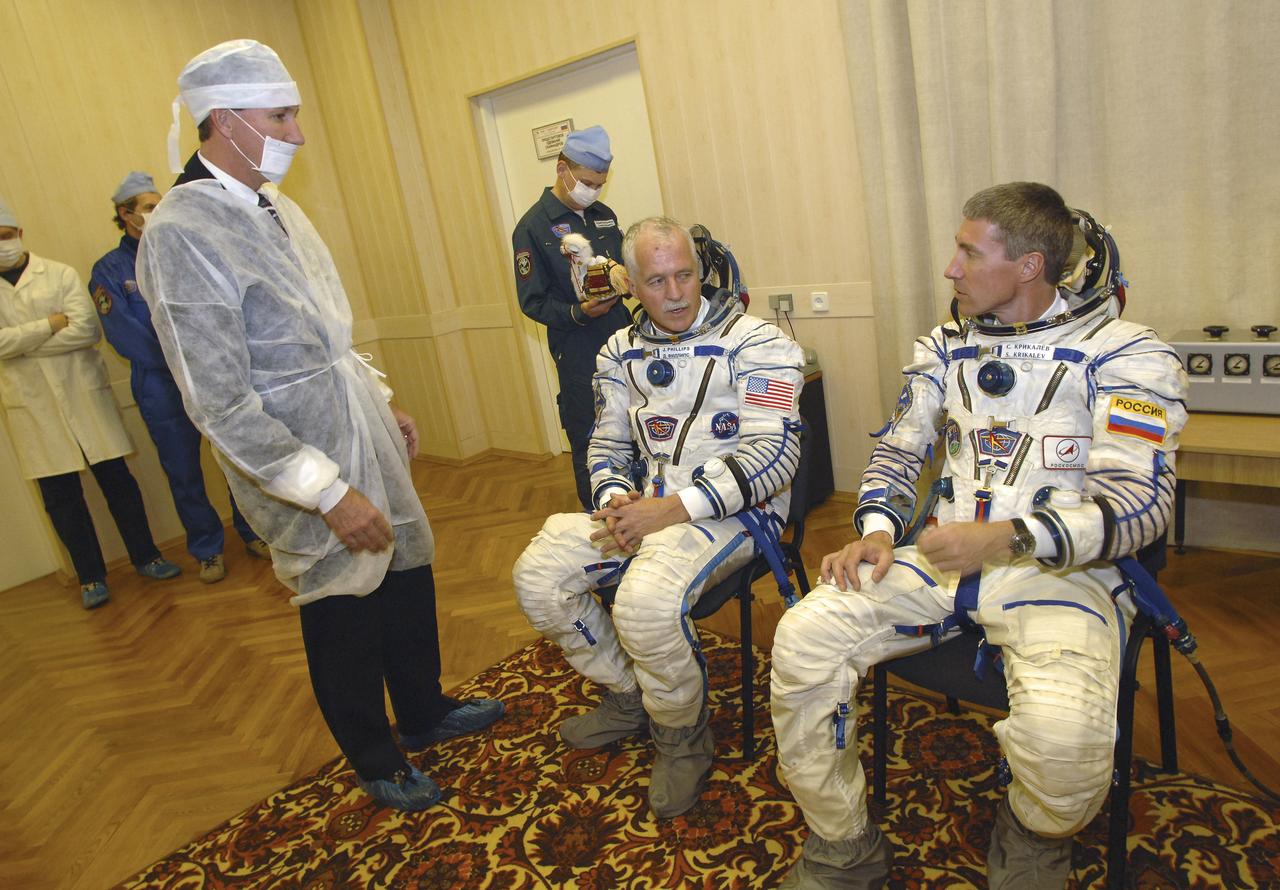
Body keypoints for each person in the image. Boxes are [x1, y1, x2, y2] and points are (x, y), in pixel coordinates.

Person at [770, 182, 1189, 889]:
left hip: (1064, 573)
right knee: (804, 636)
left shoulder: (1128, 356)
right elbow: (899, 452)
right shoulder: (944, 347)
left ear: (1027, 265)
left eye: (968, 251)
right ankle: (844, 841)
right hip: (941, 560)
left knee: (1064, 739)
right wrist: (875, 529)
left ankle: (1033, 833)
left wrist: (1008, 539)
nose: (951, 269)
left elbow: (1143, 505)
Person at [136, 39, 502, 811]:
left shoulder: (278, 206)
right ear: (224, 121)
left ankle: (425, 710)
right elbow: (216, 398)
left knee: (404, 564)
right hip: (295, 450)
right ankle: (374, 756)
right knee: (341, 600)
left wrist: (379, 399)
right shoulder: (180, 232)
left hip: (354, 419)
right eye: (281, 114)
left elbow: (323, 332)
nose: (297, 133)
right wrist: (323, 489)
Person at [514, 216, 805, 818]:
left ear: (702, 272)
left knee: (643, 603)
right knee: (538, 575)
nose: (674, 294)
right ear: (630, 286)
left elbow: (775, 456)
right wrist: (617, 497)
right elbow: (607, 443)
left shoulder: (760, 345)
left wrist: (672, 510)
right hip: (644, 507)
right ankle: (629, 695)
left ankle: (682, 736)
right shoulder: (618, 350)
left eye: (684, 276)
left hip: (734, 514)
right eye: (656, 281)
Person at [0, 196, 182, 609]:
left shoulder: (60, 275)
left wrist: (22, 344)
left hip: (83, 395)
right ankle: (90, 578)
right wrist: (49, 324)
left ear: (20, 234)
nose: (2, 244)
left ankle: (147, 556)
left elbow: (84, 331)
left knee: (118, 483)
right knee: (61, 500)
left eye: (6, 236)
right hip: (35, 409)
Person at [91, 171, 269, 584]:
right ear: (125, 214)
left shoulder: (180, 251)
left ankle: (253, 531)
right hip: (162, 386)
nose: (158, 213)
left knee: (235, 462)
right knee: (184, 473)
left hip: (210, 377)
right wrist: (183, 357)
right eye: (149, 207)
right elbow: (125, 334)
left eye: (160, 203)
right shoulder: (110, 270)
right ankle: (207, 550)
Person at [512, 125, 631, 509]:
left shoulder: (605, 216)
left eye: (600, 183)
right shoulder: (532, 227)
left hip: (624, 338)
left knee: (634, 428)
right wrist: (578, 312)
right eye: (586, 182)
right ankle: (598, 518)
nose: (593, 191)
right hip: (578, 349)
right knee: (591, 437)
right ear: (562, 169)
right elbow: (532, 302)